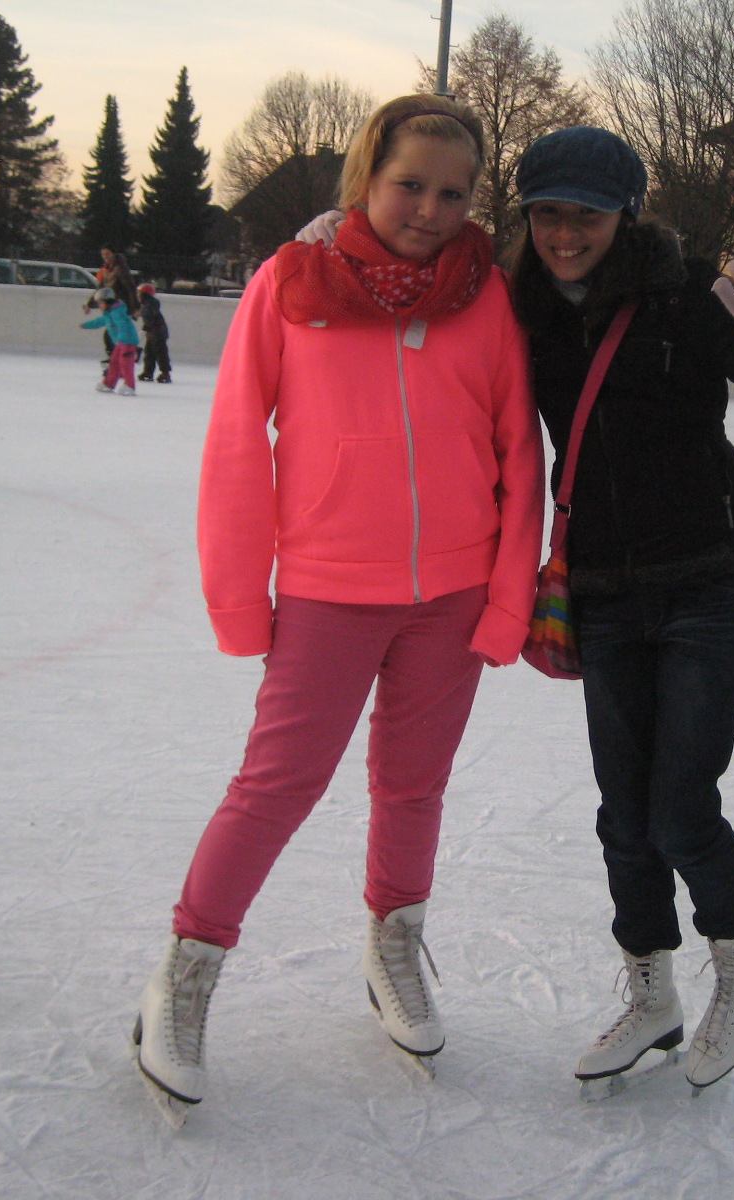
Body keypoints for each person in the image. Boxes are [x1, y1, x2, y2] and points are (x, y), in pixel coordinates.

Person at [132, 93, 543, 1118]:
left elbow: (517, 451)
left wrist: (506, 601)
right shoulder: (290, 283)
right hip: (328, 589)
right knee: (275, 785)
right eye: (410, 184)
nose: (430, 210)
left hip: (452, 592)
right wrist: (241, 601)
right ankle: (184, 974)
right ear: (367, 175)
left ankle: (393, 945)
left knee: (414, 786)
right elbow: (237, 443)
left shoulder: (486, 294)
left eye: (454, 193)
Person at [503, 127, 734, 1096]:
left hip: (707, 579)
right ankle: (650, 990)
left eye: (586, 213)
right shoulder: (520, 305)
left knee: (681, 806)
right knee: (624, 814)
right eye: (548, 212)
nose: (565, 233)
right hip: (603, 590)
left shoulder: (683, 293)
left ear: (626, 213)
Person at [80, 286, 140, 395]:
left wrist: (122, 340)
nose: (99, 306)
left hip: (128, 342)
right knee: (114, 363)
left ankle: (130, 386)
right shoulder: (109, 314)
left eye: (100, 303)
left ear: (107, 302)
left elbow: (123, 327)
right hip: (121, 343)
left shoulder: (117, 313)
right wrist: (86, 325)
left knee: (126, 365)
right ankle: (108, 384)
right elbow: (99, 322)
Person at [136, 282, 171, 383]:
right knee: (149, 353)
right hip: (152, 333)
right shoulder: (146, 304)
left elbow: (151, 317)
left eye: (139, 293)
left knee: (161, 353)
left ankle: (165, 373)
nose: (137, 295)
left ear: (144, 294)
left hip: (157, 333)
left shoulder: (149, 304)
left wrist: (146, 326)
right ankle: (148, 372)